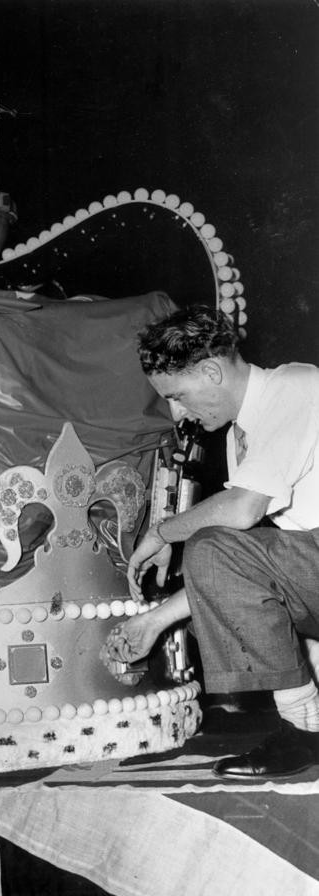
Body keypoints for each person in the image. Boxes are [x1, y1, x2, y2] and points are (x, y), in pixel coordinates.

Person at [103, 303, 319, 779]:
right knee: (215, 578)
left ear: (211, 372)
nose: (177, 413)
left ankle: (305, 730)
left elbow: (240, 514)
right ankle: (306, 719)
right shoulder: (240, 432)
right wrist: (156, 621)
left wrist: (161, 531)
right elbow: (246, 569)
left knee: (211, 546)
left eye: (178, 396)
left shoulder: (295, 386)